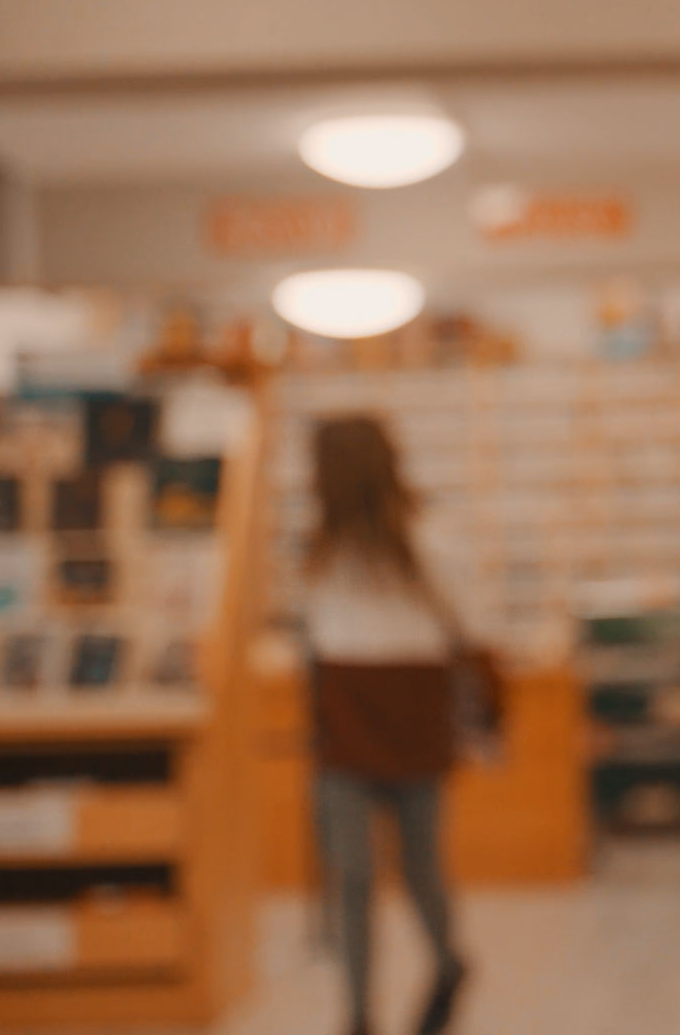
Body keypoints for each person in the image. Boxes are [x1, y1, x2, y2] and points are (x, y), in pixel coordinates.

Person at [301, 416, 475, 1035]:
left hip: (410, 719)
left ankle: (450, 962)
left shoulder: (428, 543)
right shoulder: (323, 551)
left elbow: (469, 632)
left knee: (419, 867)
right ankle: (357, 1015)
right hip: (346, 724)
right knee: (352, 873)